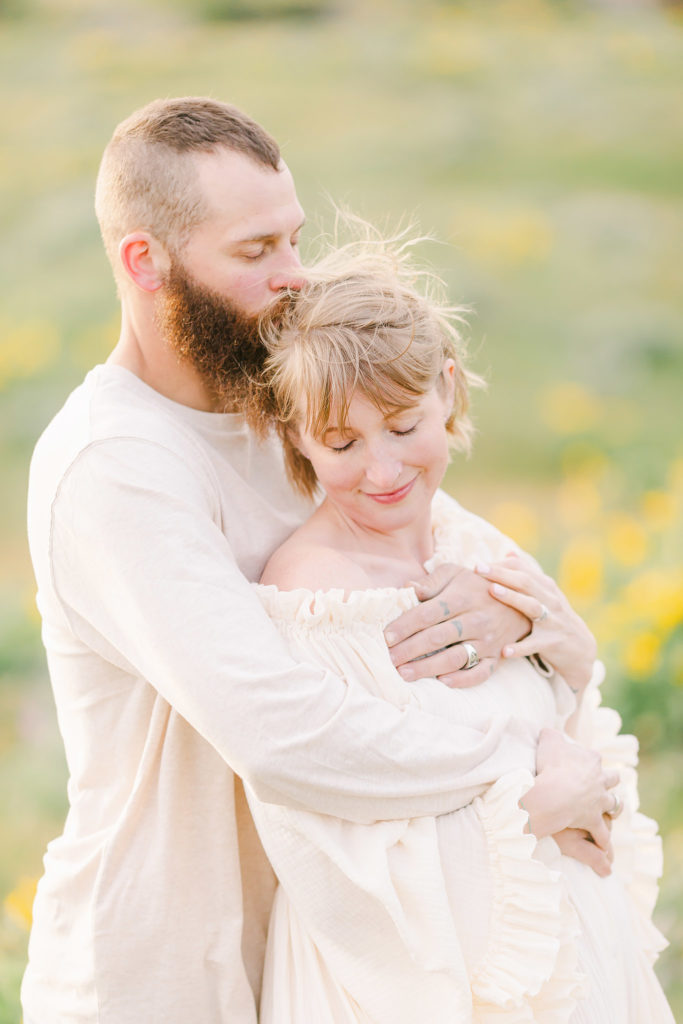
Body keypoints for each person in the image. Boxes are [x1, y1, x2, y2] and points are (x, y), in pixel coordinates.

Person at [24, 97, 618, 1024]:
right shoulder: (117, 465)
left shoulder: (288, 413)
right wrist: (529, 772)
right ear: (146, 261)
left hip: (327, 949)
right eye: (255, 252)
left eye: (294, 240)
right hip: (165, 970)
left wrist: (511, 615)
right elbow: (280, 727)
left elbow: (456, 550)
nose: (294, 278)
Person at [245, 238, 675, 1023]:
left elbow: (574, 728)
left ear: (445, 391)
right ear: (297, 438)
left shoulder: (475, 546)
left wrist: (580, 720)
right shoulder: (311, 600)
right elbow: (333, 838)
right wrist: (536, 808)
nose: (381, 472)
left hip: (572, 955)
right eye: (341, 443)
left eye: (405, 427)